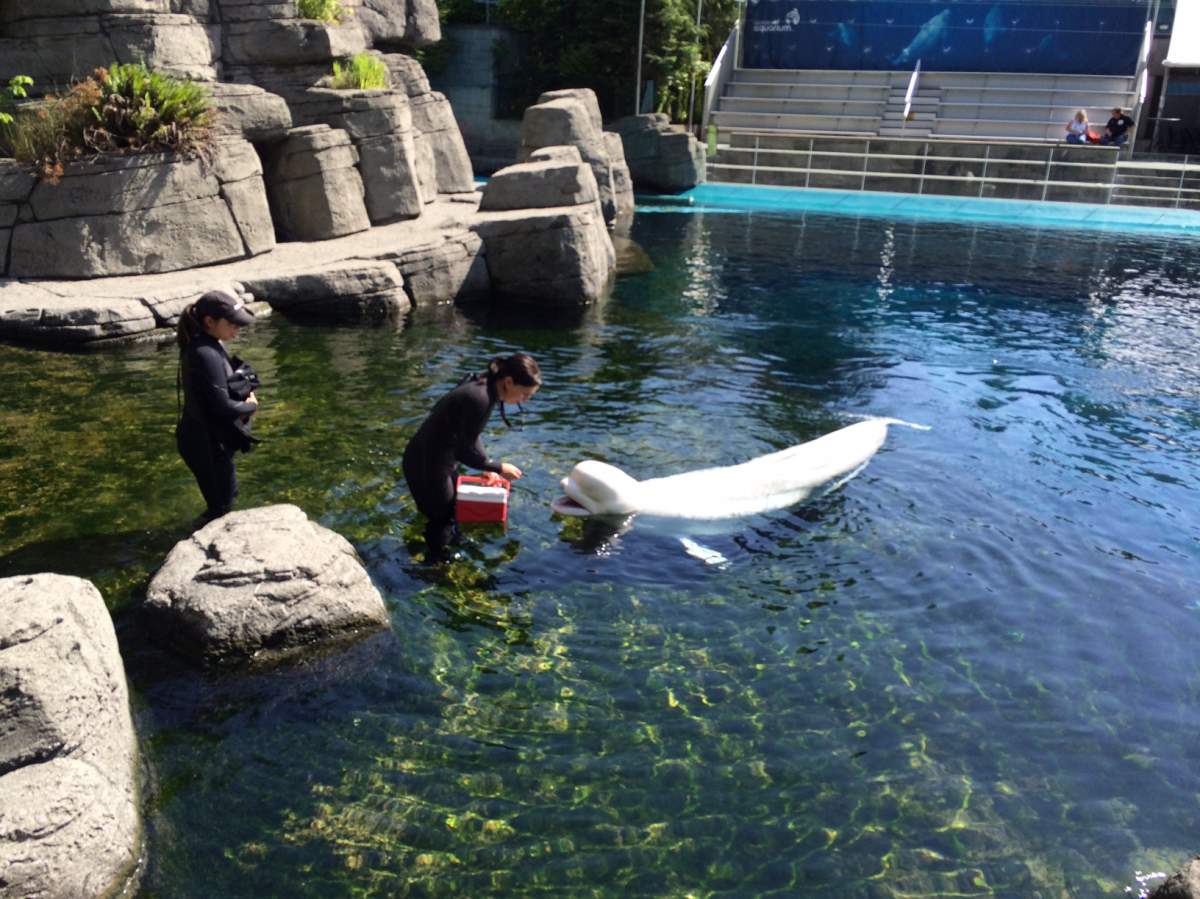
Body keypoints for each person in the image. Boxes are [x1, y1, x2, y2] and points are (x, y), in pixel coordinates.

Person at [403, 353, 541, 562]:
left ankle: (445, 549)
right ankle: (435, 568)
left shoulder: (483, 385)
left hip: (435, 456)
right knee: (441, 518)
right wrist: (497, 467)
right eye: (524, 394)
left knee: (451, 509)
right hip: (426, 462)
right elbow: (463, 451)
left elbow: (470, 436)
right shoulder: (479, 398)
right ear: (509, 382)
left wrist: (485, 464)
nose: (526, 400)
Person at [175, 289, 259, 526]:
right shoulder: (204, 353)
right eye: (232, 323)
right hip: (203, 444)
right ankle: (198, 550)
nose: (237, 328)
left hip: (208, 440)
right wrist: (249, 406)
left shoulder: (210, 344)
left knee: (226, 499)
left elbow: (215, 392)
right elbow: (222, 406)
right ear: (209, 322)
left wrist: (245, 387)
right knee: (220, 508)